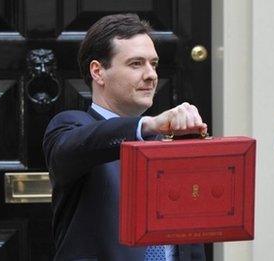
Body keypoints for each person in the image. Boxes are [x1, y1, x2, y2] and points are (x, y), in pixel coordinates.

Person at [43, 13, 207, 261]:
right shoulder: (71, 127)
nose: (151, 75)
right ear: (98, 72)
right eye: (136, 64)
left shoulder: (166, 141)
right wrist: (147, 125)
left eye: (154, 63)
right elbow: (75, 147)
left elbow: (189, 237)